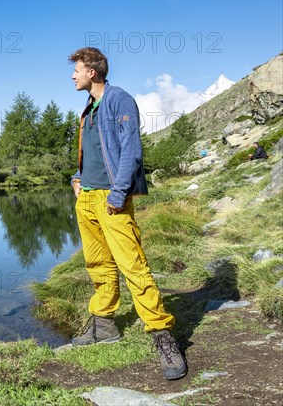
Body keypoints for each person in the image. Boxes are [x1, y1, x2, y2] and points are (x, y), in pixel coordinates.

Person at [57, 47, 187, 381]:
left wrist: (118, 192)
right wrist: (77, 177)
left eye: (77, 70)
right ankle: (104, 325)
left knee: (133, 267)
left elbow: (130, 149)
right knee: (97, 264)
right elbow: (95, 152)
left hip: (111, 199)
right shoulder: (88, 107)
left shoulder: (120, 100)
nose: (72, 75)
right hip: (86, 198)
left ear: (93, 72)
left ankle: (162, 335)